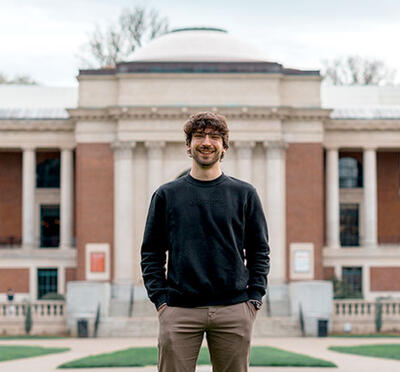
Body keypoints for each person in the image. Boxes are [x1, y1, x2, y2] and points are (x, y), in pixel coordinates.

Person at [141, 111, 270, 372]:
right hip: (179, 309)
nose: (206, 142)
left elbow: (259, 250)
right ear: (188, 145)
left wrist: (254, 297)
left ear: (224, 146)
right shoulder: (166, 195)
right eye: (199, 136)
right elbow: (152, 252)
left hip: (234, 309)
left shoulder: (244, 194)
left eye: (214, 137)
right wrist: (160, 300)